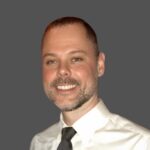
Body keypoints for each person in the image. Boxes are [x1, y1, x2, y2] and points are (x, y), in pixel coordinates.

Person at [30, 16, 150, 150]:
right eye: (51, 61)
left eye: (76, 59)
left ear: (100, 65)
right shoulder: (39, 143)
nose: (62, 70)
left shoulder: (140, 144)